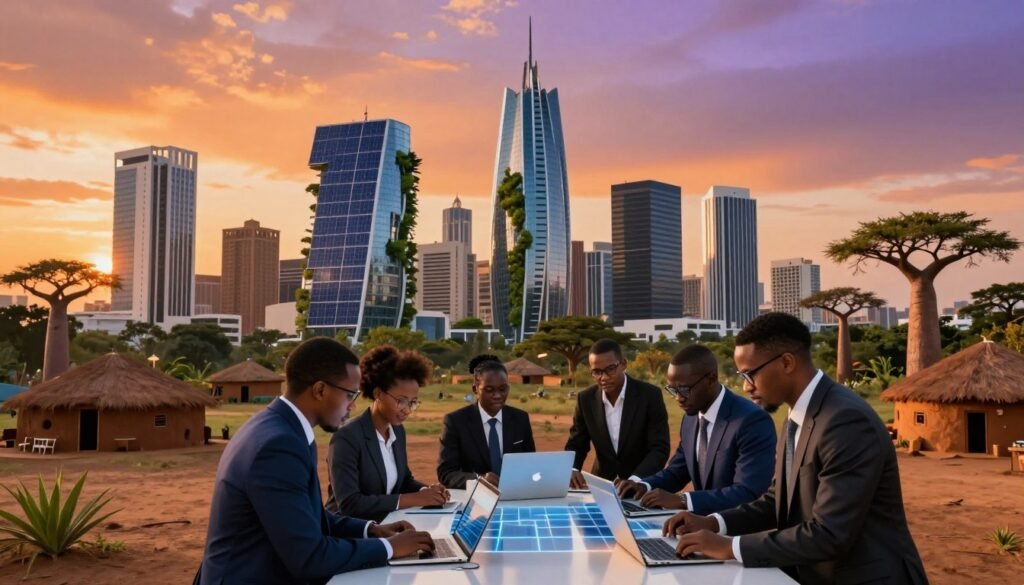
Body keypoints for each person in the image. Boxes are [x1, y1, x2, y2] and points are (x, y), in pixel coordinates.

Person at [664, 313, 928, 585]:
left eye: (749, 374)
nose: (745, 386)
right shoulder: (799, 415)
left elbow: (829, 534)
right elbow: (776, 500)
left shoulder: (845, 421)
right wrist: (713, 523)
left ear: (787, 362)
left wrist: (731, 547)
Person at [196, 338, 434, 585]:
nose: (353, 405)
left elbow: (308, 516)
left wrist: (371, 530)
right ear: (320, 390)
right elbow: (309, 557)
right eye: (350, 395)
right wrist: (388, 548)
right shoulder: (279, 445)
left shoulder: (282, 428)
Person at [616, 344, 775, 514]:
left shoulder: (751, 420)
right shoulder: (691, 418)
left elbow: (748, 492)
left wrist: (684, 500)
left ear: (711, 379)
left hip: (735, 533)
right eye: (673, 390)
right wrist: (644, 486)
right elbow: (677, 471)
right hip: (699, 527)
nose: (679, 398)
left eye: (684, 389)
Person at [326, 345, 450, 522]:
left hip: (387, 524)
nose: (407, 410)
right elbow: (349, 504)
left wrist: (427, 492)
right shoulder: (347, 438)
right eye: (401, 401)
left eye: (413, 403)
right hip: (348, 533)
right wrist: (412, 499)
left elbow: (404, 480)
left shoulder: (397, 431)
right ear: (378, 394)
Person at [566, 338, 670, 488]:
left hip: (641, 486)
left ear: (623, 364)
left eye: (610, 369)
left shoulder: (650, 396)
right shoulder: (585, 399)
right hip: (601, 486)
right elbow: (577, 443)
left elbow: (659, 448)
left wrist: (635, 480)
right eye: (597, 372)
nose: (604, 377)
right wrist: (573, 468)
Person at [437, 354, 537, 489]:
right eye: (489, 390)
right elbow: (446, 473)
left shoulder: (520, 419)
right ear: (475, 389)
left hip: (514, 494)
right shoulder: (456, 422)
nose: (497, 395)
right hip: (476, 499)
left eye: (503, 389)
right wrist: (479, 480)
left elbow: (530, 464)